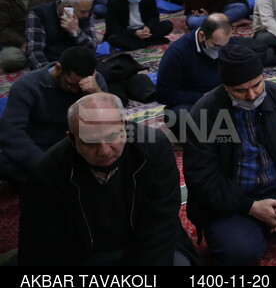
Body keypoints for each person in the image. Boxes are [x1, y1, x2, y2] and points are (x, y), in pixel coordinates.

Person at [183, 43, 276, 265]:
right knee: (241, 254)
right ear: (226, 87)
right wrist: (250, 207)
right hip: (233, 198)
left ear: (263, 76)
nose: (252, 96)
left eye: (256, 85)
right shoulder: (205, 113)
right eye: (240, 91)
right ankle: (258, 223)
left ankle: (268, 219)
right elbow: (201, 177)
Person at [18, 92, 195, 266]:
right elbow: (44, 241)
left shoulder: (153, 149)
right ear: (72, 139)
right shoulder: (47, 172)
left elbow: (161, 220)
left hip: (146, 245)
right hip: (86, 255)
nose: (104, 151)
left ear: (124, 127)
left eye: (112, 137)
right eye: (90, 142)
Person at [0, 47, 105, 184]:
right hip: (36, 149)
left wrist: (96, 93)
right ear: (58, 68)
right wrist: (44, 163)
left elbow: (106, 125)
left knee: (120, 145)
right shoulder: (27, 86)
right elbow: (10, 133)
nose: (74, 91)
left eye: (79, 87)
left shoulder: (94, 83)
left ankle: (51, 180)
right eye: (70, 85)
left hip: (73, 148)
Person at [156, 13, 235, 136]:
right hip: (194, 102)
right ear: (202, 36)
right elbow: (164, 94)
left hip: (225, 97)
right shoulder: (178, 53)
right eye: (216, 46)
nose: (220, 50)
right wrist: (203, 97)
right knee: (178, 116)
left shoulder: (229, 44)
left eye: (225, 45)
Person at [25, 0, 96, 69]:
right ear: (67, 7)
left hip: (77, 63)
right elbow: (34, 52)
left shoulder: (85, 14)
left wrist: (76, 31)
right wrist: (49, 72)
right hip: (50, 64)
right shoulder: (39, 14)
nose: (86, 15)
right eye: (83, 12)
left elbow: (92, 47)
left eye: (88, 11)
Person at [0, 0, 55, 72]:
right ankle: (35, 56)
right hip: (17, 39)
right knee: (10, 61)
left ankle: (35, 56)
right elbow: (2, 29)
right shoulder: (3, 0)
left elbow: (52, 19)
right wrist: (21, 42)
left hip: (42, 36)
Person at [104, 0, 174, 51]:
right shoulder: (114, 1)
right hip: (128, 32)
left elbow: (154, 16)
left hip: (145, 30)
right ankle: (152, 41)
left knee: (167, 24)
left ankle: (138, 44)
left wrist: (148, 27)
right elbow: (112, 27)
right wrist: (134, 32)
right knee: (114, 39)